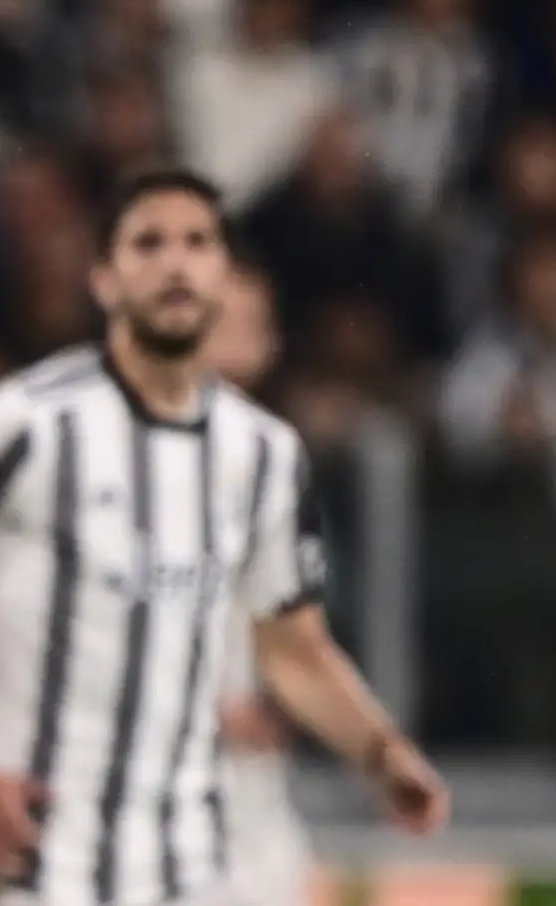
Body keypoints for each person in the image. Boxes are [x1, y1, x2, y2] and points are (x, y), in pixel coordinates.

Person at [0, 169, 448, 906]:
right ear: (104, 279)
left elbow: (294, 650)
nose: (175, 261)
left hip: (187, 867)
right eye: (149, 242)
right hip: (32, 862)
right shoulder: (27, 426)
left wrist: (384, 754)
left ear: (227, 277)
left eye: (198, 242)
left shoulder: (263, 455)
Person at [202, 265, 315, 906]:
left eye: (253, 325)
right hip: (129, 768)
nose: (238, 342)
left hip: (248, 778)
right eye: (224, 322)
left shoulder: (273, 458)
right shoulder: (99, 447)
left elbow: (295, 630)